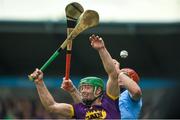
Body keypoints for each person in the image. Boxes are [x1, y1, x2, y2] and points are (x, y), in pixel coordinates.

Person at [29, 34, 120, 119]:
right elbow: (51, 107)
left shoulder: (110, 102)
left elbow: (113, 75)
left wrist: (101, 49)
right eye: (82, 88)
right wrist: (39, 83)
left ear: (98, 90)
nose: (83, 91)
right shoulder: (80, 111)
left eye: (87, 88)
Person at [62, 53, 142, 119]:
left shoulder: (130, 95)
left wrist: (118, 72)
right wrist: (73, 90)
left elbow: (136, 92)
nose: (119, 76)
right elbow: (85, 109)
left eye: (124, 75)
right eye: (119, 75)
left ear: (132, 80)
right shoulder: (107, 96)